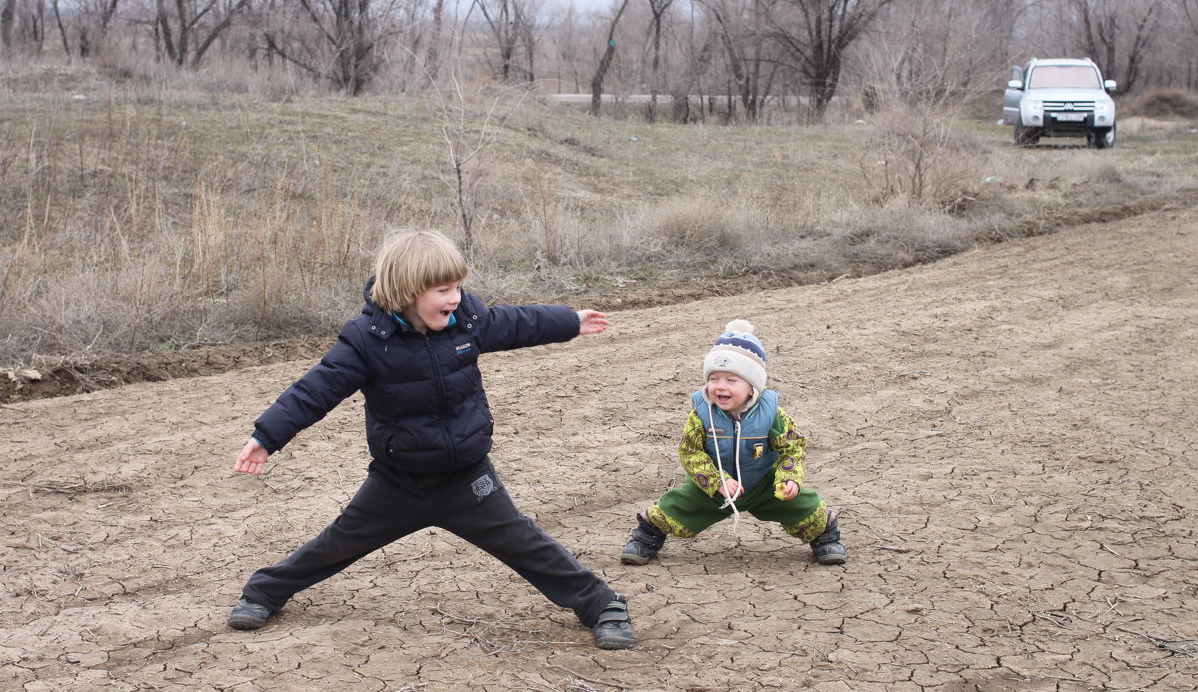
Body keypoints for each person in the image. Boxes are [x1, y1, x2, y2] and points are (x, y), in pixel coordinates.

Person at [228, 228, 633, 650]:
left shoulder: (468, 322)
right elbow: (315, 389)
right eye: (443, 289)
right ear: (408, 289)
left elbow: (517, 323)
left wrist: (569, 321)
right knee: (338, 543)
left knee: (524, 542)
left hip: (466, 478)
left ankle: (602, 605)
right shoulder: (367, 340)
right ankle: (263, 592)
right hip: (398, 482)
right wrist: (266, 436)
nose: (455, 297)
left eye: (458, 286)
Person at [620, 319, 846, 567]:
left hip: (763, 484)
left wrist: (788, 478)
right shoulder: (701, 414)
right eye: (714, 378)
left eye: (731, 380)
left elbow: (792, 448)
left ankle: (825, 537)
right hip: (714, 487)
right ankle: (646, 538)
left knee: (806, 505)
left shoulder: (772, 414)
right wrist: (717, 481)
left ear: (752, 387)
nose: (720, 386)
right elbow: (690, 452)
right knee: (674, 505)